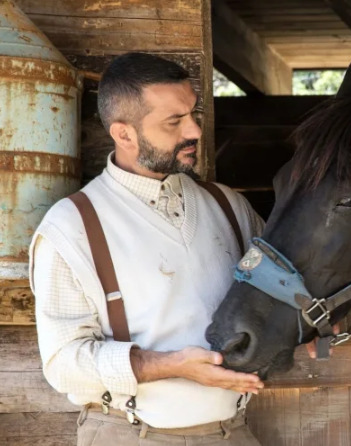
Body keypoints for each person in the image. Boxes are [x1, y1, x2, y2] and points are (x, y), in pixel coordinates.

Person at [29, 53, 266, 445]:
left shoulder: (229, 206)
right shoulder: (70, 227)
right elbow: (63, 365)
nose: (194, 131)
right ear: (124, 134)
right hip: (129, 435)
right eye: (174, 121)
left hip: (232, 433)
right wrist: (172, 366)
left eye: (193, 114)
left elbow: (279, 283)